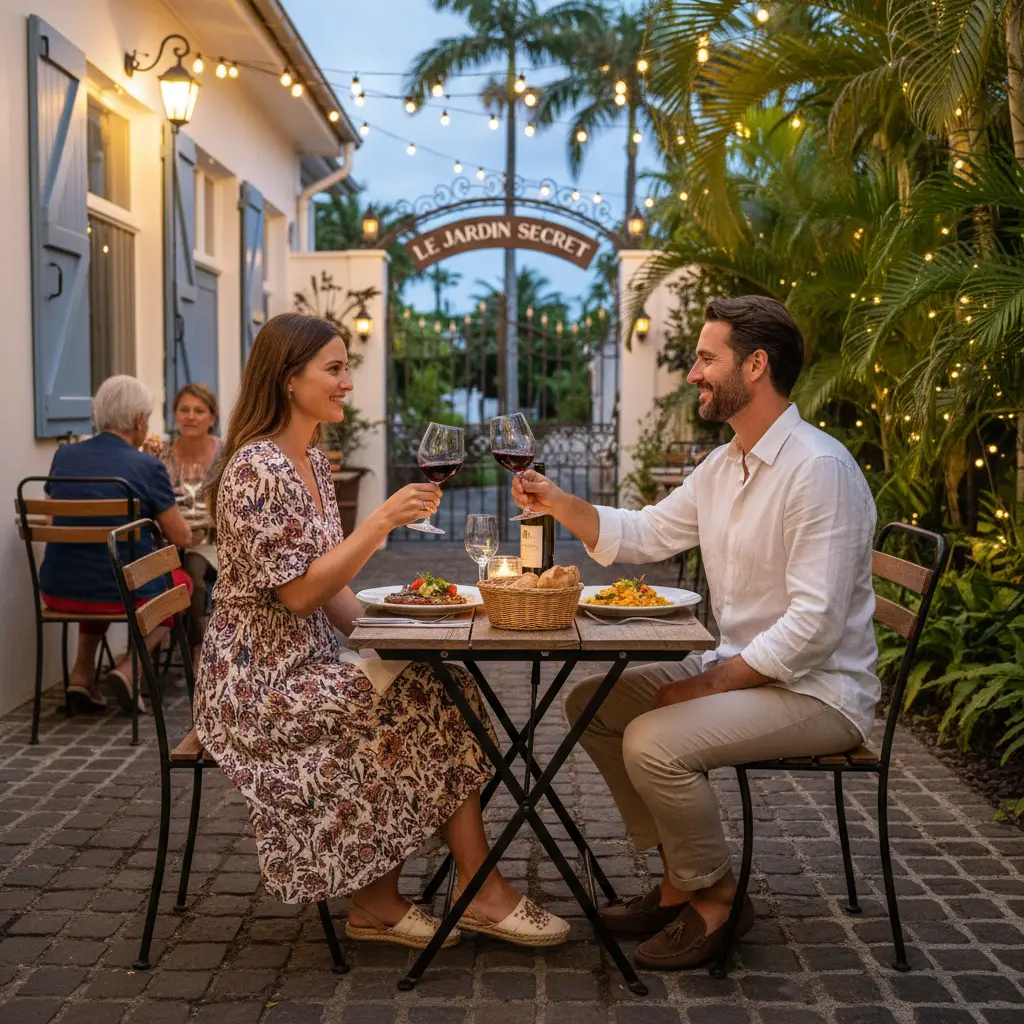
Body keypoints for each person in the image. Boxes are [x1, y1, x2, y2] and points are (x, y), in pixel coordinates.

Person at [512, 296, 877, 970]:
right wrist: (558, 502)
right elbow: (649, 532)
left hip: (817, 691)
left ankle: (715, 898)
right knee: (591, 704)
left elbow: (814, 626)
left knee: (653, 739)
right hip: (746, 668)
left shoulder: (817, 470)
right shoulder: (727, 464)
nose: (693, 374)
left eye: (707, 358)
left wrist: (706, 682)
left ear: (757, 365)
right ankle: (682, 876)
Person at [194, 312, 568, 950]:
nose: (346, 382)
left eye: (347, 368)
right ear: (288, 379)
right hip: (257, 688)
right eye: (333, 369)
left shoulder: (307, 457)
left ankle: (403, 896)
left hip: (302, 666)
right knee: (428, 698)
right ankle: (455, 892)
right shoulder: (257, 468)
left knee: (438, 679)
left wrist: (409, 627)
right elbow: (299, 592)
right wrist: (382, 523)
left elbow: (332, 595)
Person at [39, 375, 195, 712]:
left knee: (98, 568)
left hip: (57, 589)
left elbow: (52, 524)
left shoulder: (63, 457)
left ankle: (81, 676)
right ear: (140, 421)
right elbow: (182, 537)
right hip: (121, 594)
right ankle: (130, 669)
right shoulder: (148, 466)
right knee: (180, 583)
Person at [146, 383, 221, 650]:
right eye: (184, 410)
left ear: (212, 419)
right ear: (175, 415)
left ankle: (197, 652)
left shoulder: (224, 454)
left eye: (199, 411)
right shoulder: (161, 453)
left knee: (193, 569)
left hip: (210, 542)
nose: (190, 416)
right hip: (169, 539)